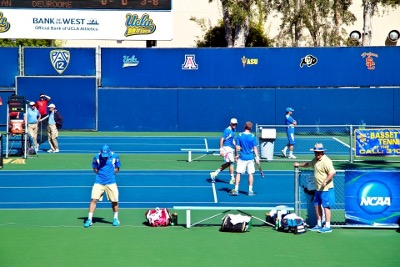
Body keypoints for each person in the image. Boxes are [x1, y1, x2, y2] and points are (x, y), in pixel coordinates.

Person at [294, 143, 336, 233]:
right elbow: (308, 164)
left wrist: (325, 181)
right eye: (316, 152)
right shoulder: (315, 160)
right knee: (316, 206)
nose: (317, 154)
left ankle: (328, 226)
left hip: (326, 189)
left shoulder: (326, 161)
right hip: (318, 189)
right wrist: (299, 164)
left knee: (326, 207)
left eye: (319, 152)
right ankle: (319, 224)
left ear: (322, 152)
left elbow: (332, 172)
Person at [84, 145, 122, 228]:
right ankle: (89, 219)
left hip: (111, 182)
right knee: (94, 199)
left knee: (114, 200)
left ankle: (115, 218)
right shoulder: (96, 157)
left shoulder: (115, 156)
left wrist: (111, 174)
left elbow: (117, 167)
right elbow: (95, 168)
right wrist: (101, 175)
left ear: (109, 151)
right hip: (99, 182)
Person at [229, 121, 260, 196]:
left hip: (242, 158)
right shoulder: (253, 137)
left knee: (238, 173)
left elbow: (237, 147)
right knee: (250, 174)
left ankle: (236, 190)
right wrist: (257, 157)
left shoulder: (240, 136)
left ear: (244, 126)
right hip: (250, 158)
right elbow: (255, 148)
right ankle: (250, 191)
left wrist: (236, 155)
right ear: (251, 128)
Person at [210, 118, 238, 184]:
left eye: (236, 124)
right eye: (233, 124)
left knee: (229, 163)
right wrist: (221, 150)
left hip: (231, 148)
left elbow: (232, 139)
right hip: (226, 148)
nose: (234, 125)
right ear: (230, 123)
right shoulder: (227, 130)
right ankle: (232, 178)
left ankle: (215, 173)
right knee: (232, 162)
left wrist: (235, 145)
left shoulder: (234, 130)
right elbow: (222, 140)